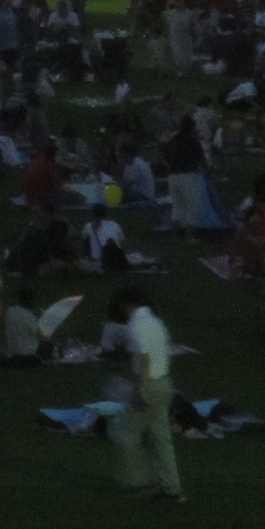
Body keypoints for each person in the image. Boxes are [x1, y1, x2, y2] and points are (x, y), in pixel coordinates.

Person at [106, 290, 183, 501]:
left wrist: (139, 390)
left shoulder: (136, 325)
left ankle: (140, 479)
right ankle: (171, 487)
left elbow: (145, 359)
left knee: (122, 431)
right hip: (164, 383)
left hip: (148, 385)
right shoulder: (156, 322)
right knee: (162, 439)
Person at [3, 284, 46, 366]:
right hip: (28, 353)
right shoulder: (29, 316)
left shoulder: (9, 311)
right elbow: (40, 337)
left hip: (11, 352)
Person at [81, 204, 129, 272]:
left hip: (97, 260)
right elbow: (122, 242)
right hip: (115, 259)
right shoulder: (115, 224)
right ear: (106, 213)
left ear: (92, 213)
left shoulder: (88, 226)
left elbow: (84, 240)